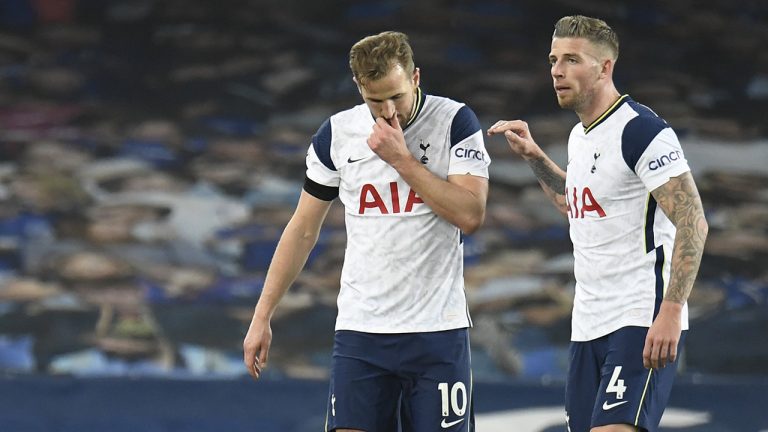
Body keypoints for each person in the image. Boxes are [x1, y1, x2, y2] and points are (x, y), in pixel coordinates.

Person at [243, 31, 490, 431]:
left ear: (415, 77)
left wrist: (401, 159)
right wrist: (262, 315)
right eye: (376, 100)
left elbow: (470, 214)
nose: (389, 111)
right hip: (362, 332)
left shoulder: (455, 121)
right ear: (359, 87)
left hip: (436, 331)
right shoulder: (337, 134)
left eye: (397, 96)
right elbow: (303, 229)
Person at [488, 15, 708, 432]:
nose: (556, 70)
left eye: (572, 59)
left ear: (605, 67)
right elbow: (577, 206)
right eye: (554, 59)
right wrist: (535, 158)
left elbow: (693, 221)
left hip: (639, 315)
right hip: (588, 321)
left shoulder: (641, 131)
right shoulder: (580, 135)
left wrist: (671, 311)